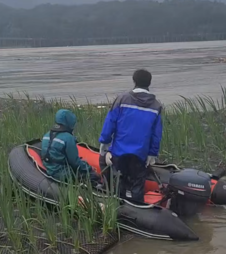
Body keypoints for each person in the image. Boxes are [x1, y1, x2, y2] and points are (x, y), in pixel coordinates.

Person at [98, 69, 163, 203]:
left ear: (134, 81)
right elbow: (156, 134)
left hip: (119, 153)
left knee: (115, 179)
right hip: (140, 155)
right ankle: (137, 208)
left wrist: (104, 144)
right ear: (149, 83)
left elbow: (110, 122)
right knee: (137, 186)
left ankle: (110, 196)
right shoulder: (156, 106)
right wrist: (152, 154)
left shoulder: (122, 99)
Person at [41, 109, 100, 185]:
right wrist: (88, 168)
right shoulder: (68, 138)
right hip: (63, 174)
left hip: (49, 169)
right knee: (93, 176)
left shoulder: (47, 135)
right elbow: (75, 162)